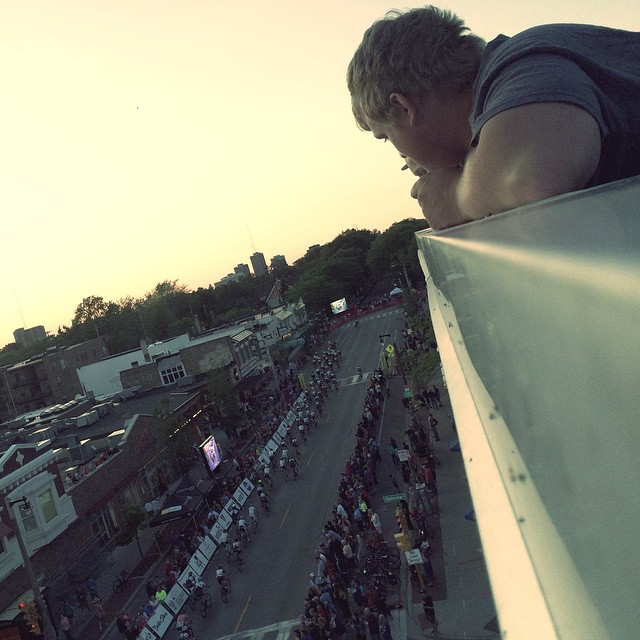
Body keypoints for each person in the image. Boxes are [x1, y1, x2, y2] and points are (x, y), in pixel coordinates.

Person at [348, 7, 640, 230]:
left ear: (403, 107)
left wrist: (452, 198)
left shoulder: (523, 64)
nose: (404, 159)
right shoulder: (512, 81)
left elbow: (533, 177)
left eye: (386, 137)